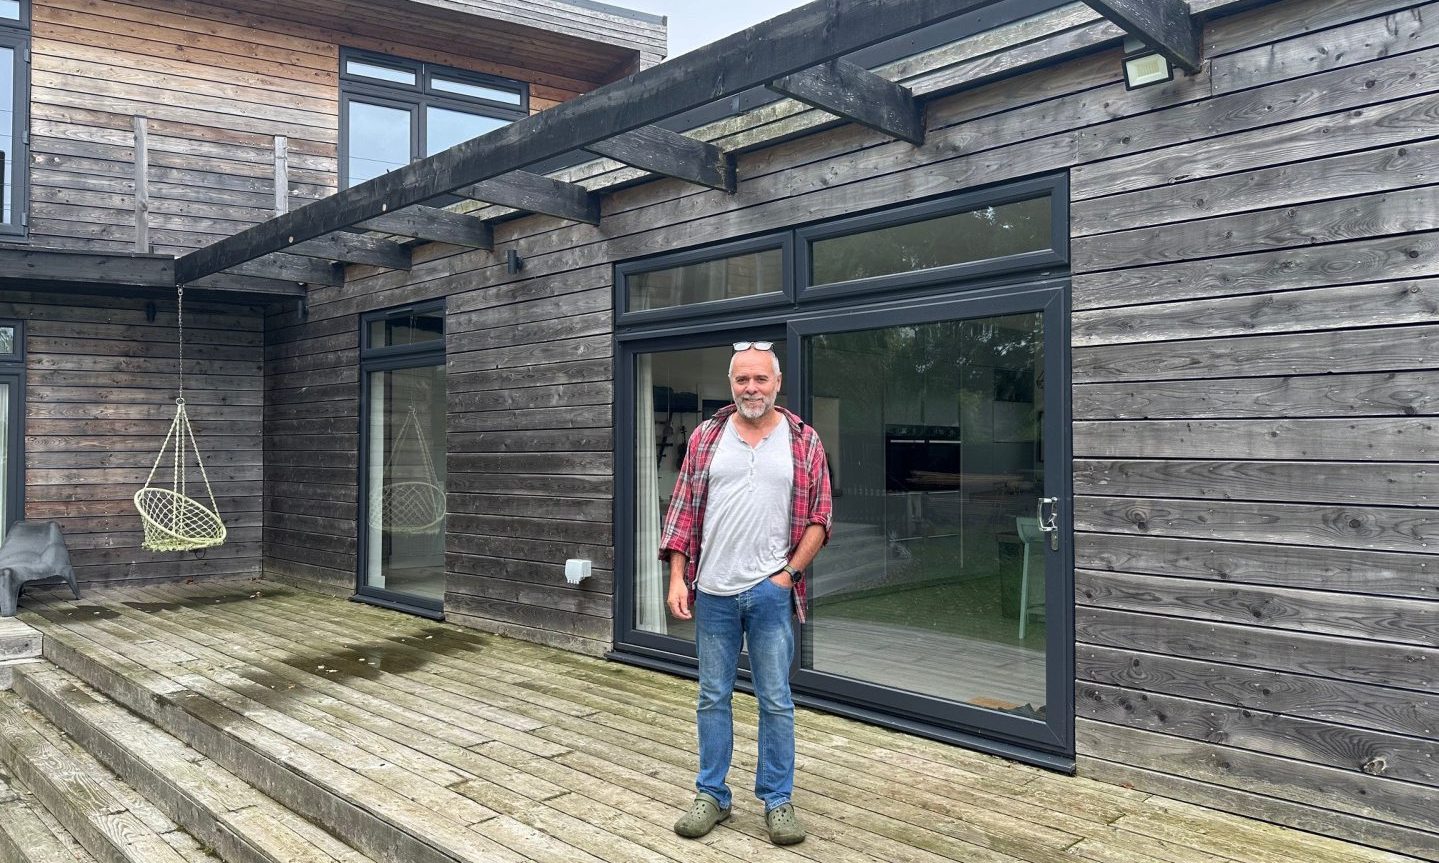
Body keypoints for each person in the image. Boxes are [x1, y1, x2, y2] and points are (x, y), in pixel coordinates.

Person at [659, 340, 832, 846]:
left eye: (760, 379)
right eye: (742, 380)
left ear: (777, 383)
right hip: (712, 590)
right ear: (731, 384)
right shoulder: (708, 437)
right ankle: (712, 794)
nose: (751, 388)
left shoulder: (803, 439)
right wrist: (677, 575)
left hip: (771, 591)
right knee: (713, 697)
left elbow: (820, 516)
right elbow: (683, 511)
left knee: (775, 700)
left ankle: (778, 802)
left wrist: (789, 575)